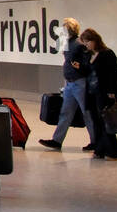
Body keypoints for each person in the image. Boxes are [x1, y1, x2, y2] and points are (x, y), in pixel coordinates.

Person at [40, 17, 95, 152]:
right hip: (71, 84)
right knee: (66, 112)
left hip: (79, 83)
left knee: (86, 113)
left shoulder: (79, 44)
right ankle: (57, 140)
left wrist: (78, 67)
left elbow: (86, 63)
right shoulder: (68, 43)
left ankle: (95, 140)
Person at [80, 28, 117, 161]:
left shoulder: (107, 54)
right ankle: (100, 149)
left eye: (87, 42)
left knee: (106, 122)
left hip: (103, 93)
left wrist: (111, 92)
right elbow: (87, 72)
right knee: (96, 122)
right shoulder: (89, 55)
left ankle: (112, 152)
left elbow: (112, 74)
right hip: (92, 93)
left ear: (94, 40)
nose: (86, 45)